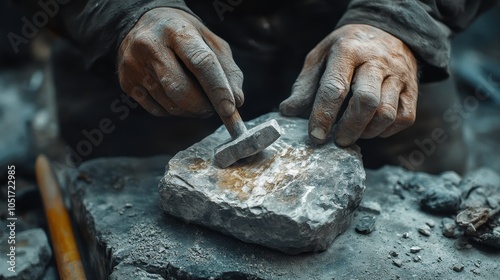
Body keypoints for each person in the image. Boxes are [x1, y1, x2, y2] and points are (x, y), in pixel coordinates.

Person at [12, 0, 498, 173]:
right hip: (156, 47)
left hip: (371, 37)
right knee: (145, 208)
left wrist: (403, 21)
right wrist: (119, 13)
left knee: (428, 200)